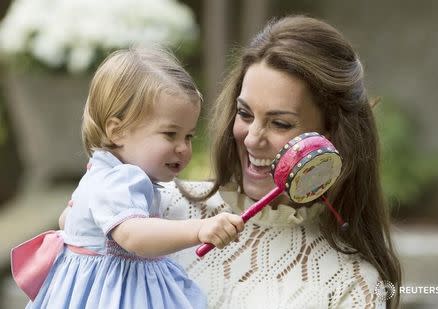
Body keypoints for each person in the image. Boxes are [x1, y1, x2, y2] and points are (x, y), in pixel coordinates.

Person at [160, 15, 402, 308]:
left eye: (280, 123)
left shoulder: (353, 282)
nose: (251, 139)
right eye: (245, 114)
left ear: (331, 135)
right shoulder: (158, 207)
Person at [12, 47, 244, 309]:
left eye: (188, 136)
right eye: (170, 134)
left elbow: (67, 220)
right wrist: (199, 228)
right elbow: (134, 236)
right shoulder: (122, 179)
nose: (183, 148)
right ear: (117, 131)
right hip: (112, 294)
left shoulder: (99, 171)